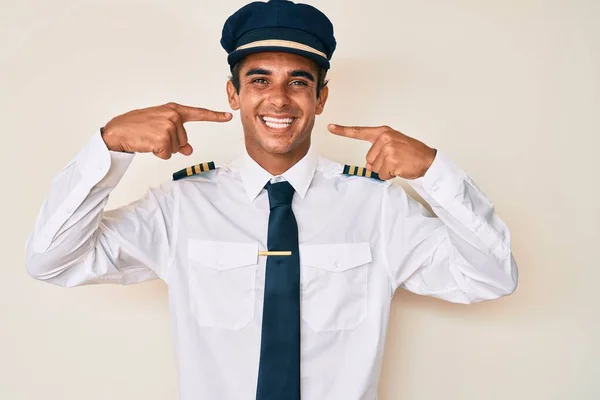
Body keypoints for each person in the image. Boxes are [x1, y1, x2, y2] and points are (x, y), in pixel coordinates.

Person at [25, 0, 518, 399]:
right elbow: (51, 261)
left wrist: (435, 172)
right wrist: (107, 146)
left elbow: (492, 277)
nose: (279, 99)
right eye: (259, 79)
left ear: (321, 99)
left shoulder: (378, 207)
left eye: (298, 81)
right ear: (234, 94)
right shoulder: (180, 208)